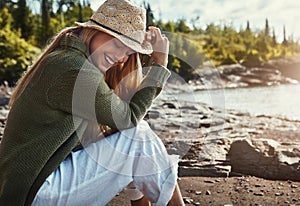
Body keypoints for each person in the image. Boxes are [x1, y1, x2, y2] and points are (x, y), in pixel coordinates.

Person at [0, 0, 185, 205]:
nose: (121, 59)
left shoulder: (68, 58)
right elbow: (128, 118)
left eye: (128, 52)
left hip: (31, 185)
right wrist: (160, 66)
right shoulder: (74, 69)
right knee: (138, 138)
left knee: (133, 140)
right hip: (34, 193)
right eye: (118, 44)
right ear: (95, 31)